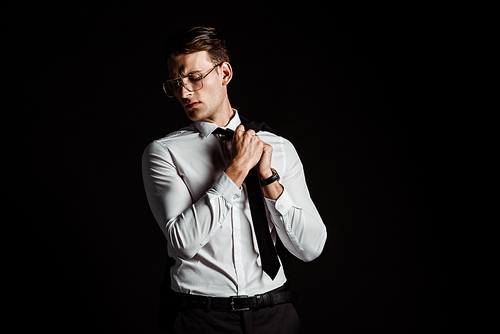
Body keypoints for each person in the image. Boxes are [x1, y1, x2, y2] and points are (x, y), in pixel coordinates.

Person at [142, 26, 327, 334]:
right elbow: (183, 243)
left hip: (276, 316)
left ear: (224, 73)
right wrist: (236, 169)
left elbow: (311, 248)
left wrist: (268, 179)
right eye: (175, 83)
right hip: (201, 320)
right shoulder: (164, 153)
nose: (184, 92)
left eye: (194, 78)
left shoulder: (277, 147)